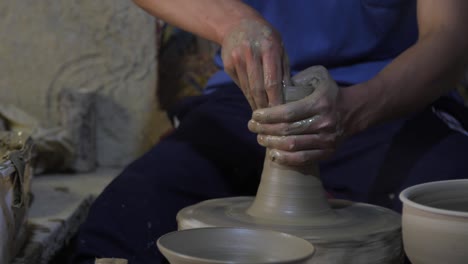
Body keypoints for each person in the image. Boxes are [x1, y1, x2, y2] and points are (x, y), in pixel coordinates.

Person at [73, 1, 468, 263]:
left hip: (387, 95)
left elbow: (450, 35)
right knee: (120, 223)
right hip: (245, 95)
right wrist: (234, 22)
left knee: (447, 225)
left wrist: (356, 110)